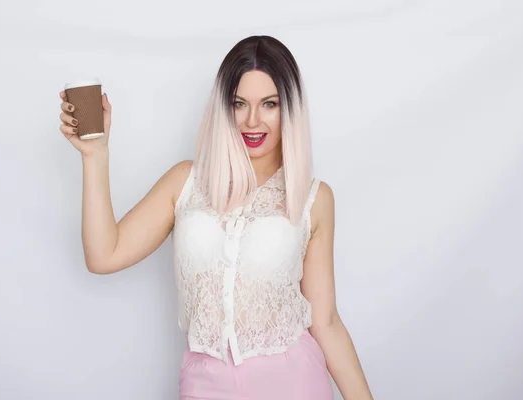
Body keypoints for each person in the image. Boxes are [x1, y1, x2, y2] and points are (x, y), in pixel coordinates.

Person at [58, 35, 373, 400]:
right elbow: (103, 255)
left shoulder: (313, 199)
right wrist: (94, 155)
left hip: (294, 384)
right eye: (239, 104)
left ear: (289, 108)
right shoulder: (185, 183)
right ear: (223, 107)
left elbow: (326, 322)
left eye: (269, 104)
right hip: (206, 386)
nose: (253, 120)